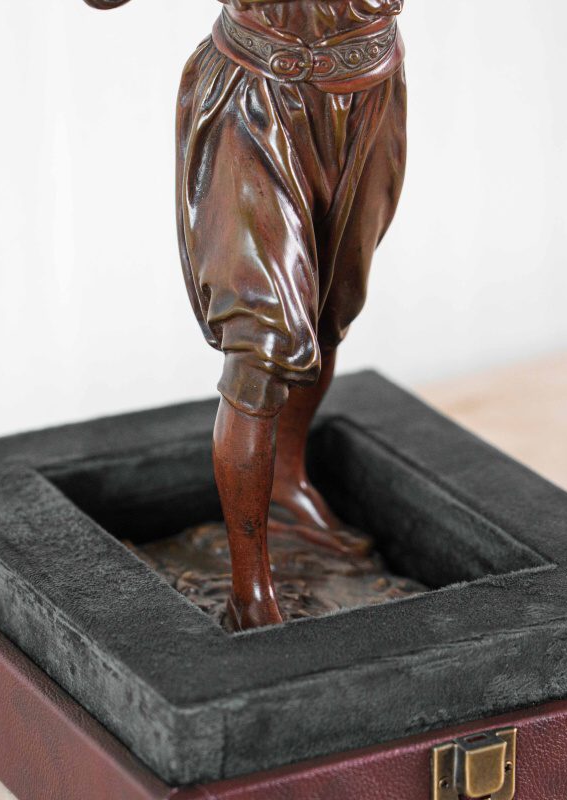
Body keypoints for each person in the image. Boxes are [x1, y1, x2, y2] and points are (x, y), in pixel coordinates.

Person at [86, 0, 408, 629]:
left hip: (368, 87)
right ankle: (249, 593)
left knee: (327, 313)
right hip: (259, 96)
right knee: (263, 343)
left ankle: (286, 484)